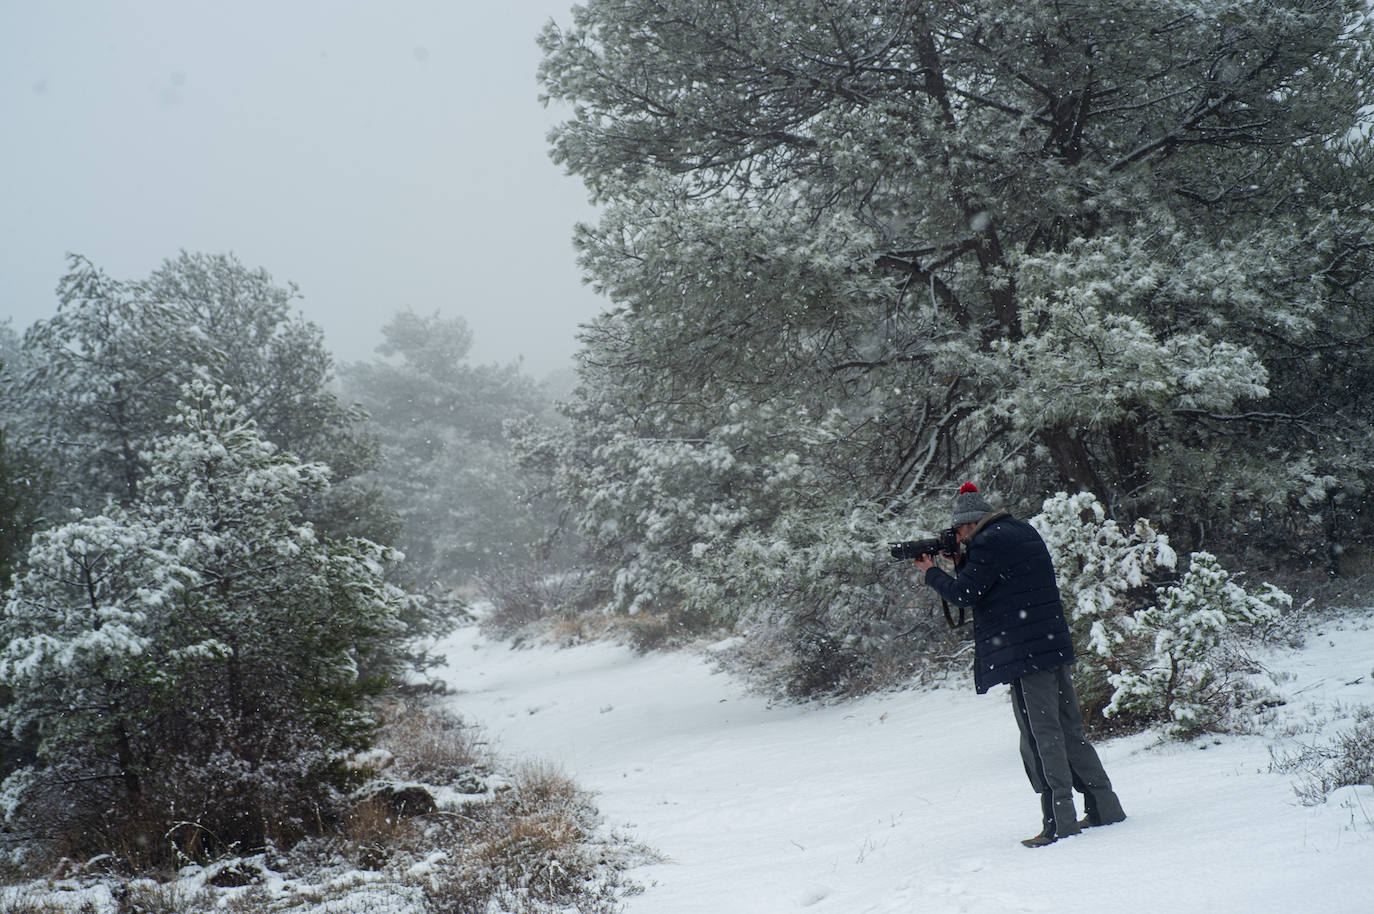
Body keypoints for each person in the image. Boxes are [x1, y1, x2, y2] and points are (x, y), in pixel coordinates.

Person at [912, 482, 1126, 847]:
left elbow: (964, 594)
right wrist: (962, 560)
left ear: (969, 524)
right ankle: (1104, 806)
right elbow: (998, 583)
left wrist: (932, 571)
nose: (959, 538)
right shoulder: (1019, 530)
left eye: (959, 532)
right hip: (1049, 646)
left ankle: (1059, 822)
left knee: (1041, 735)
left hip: (1026, 653)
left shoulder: (990, 542)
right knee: (1068, 730)